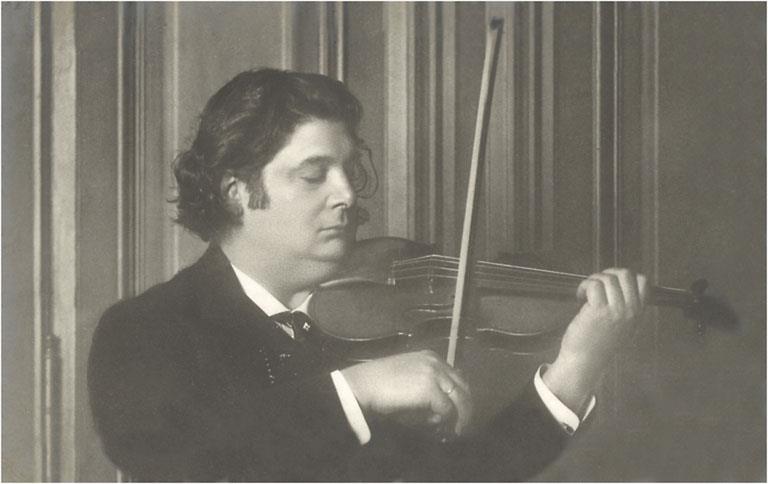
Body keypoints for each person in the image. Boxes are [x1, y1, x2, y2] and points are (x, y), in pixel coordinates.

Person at [88, 68, 648, 481]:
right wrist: (359, 389)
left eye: (349, 169)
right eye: (315, 174)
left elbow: (468, 474)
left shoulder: (365, 331)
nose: (348, 194)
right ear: (238, 193)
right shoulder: (148, 329)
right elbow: (177, 451)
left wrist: (575, 370)